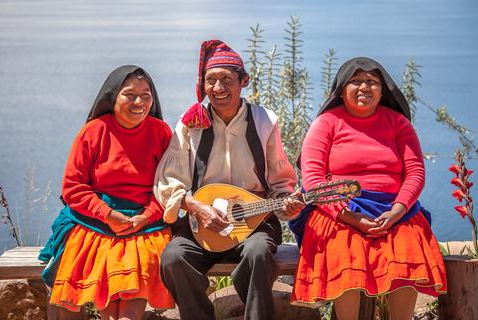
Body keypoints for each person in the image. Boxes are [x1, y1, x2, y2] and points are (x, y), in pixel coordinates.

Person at [155, 39, 303, 320]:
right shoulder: (191, 124)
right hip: (201, 224)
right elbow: (169, 180)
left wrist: (287, 205)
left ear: (243, 81)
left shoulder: (264, 121)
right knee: (174, 257)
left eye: (226, 79)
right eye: (211, 80)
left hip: (254, 221)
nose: (218, 88)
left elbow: (281, 185)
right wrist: (197, 207)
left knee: (258, 253)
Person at [291, 57, 447, 319]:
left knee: (407, 248)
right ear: (341, 89)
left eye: (372, 81)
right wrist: (351, 217)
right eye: (356, 81)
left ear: (382, 90)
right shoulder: (326, 124)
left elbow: (415, 173)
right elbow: (314, 181)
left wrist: (397, 210)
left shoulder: (398, 124)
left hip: (395, 210)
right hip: (337, 211)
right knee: (345, 251)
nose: (364, 87)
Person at [38, 65, 174, 319]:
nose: (139, 102)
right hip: (96, 220)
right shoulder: (94, 131)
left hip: (145, 222)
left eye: (146, 95)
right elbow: (73, 187)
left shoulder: (161, 132)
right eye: (130, 94)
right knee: (103, 262)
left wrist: (145, 216)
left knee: (141, 262)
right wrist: (109, 215)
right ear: (113, 97)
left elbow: (172, 186)